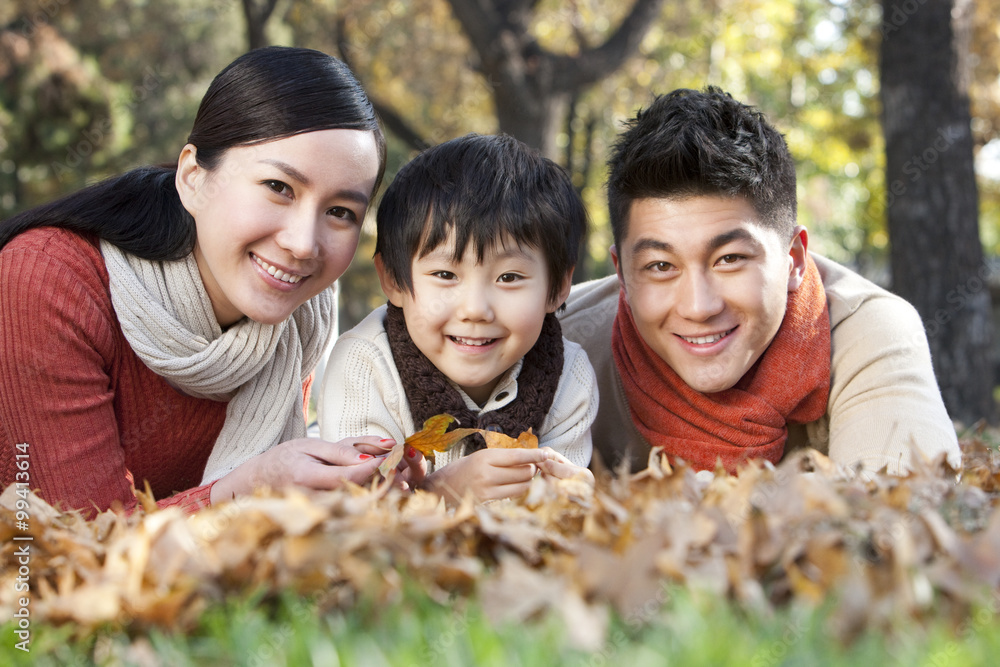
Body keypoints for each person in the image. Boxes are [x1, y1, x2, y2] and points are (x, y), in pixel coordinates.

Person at [0, 46, 421, 517]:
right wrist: (246, 490)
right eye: (279, 188)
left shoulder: (298, 318)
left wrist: (352, 479)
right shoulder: (47, 280)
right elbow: (72, 543)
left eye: (340, 212)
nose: (304, 244)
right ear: (193, 177)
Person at [558, 86, 961, 476]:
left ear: (794, 259)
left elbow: (898, 513)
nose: (699, 307)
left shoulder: (867, 332)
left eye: (730, 259)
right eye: (661, 266)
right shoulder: (558, 341)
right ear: (622, 275)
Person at [320, 133, 598, 503]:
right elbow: (356, 515)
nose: (474, 310)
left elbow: (561, 514)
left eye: (509, 278)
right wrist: (442, 494)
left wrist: (568, 498)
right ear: (393, 279)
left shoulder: (569, 377)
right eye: (446, 275)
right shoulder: (365, 366)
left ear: (558, 287)